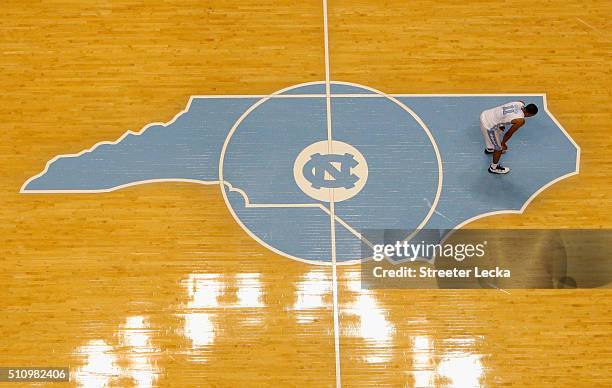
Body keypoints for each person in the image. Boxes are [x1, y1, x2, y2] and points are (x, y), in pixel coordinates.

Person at [479, 101, 538, 174]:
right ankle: (493, 168)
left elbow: (504, 112)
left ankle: (490, 149)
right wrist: (503, 143)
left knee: (496, 136)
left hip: (486, 114)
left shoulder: (520, 103)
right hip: (488, 125)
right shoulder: (520, 120)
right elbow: (508, 133)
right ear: (530, 114)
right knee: (498, 148)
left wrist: (501, 124)